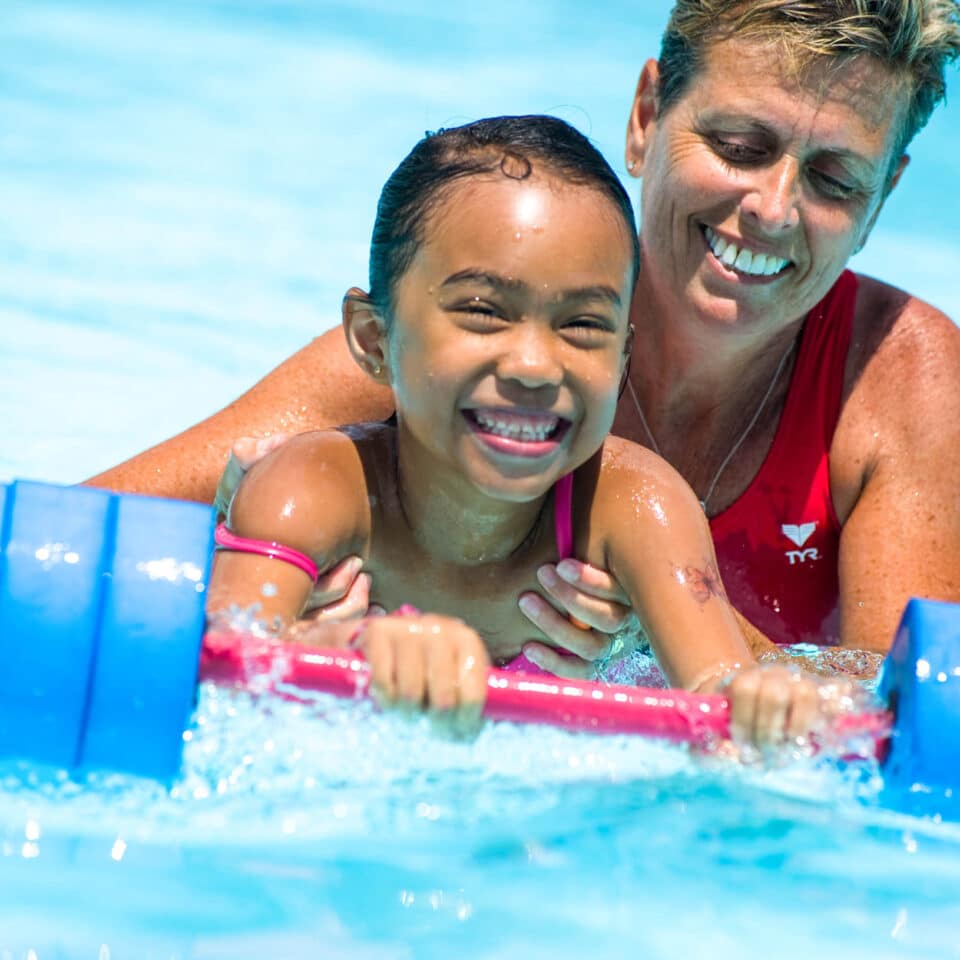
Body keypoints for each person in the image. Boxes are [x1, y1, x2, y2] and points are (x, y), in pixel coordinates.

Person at [89, 0, 960, 673]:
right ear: (647, 115)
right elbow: (75, 544)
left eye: (836, 179)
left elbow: (916, 723)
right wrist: (266, 614)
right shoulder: (447, 355)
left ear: (886, 196)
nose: (772, 209)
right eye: (738, 145)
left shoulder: (901, 388)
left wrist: (659, 639)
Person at [206, 115, 841, 746]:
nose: (535, 366)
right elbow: (218, 677)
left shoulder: (633, 506)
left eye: (583, 325)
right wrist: (340, 649)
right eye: (483, 311)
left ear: (622, 364)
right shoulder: (314, 489)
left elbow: (720, 701)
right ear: (374, 340)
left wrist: (766, 706)